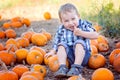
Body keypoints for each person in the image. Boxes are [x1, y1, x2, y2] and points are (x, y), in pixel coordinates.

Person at [45, 3, 99, 78]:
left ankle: (76, 67)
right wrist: (53, 51)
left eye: (73, 19)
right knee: (61, 45)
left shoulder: (83, 25)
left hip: (83, 56)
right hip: (69, 57)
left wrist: (81, 33)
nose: (70, 23)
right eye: (66, 21)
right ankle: (62, 67)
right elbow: (57, 41)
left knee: (79, 43)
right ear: (61, 21)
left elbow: (95, 35)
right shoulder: (62, 29)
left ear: (78, 17)